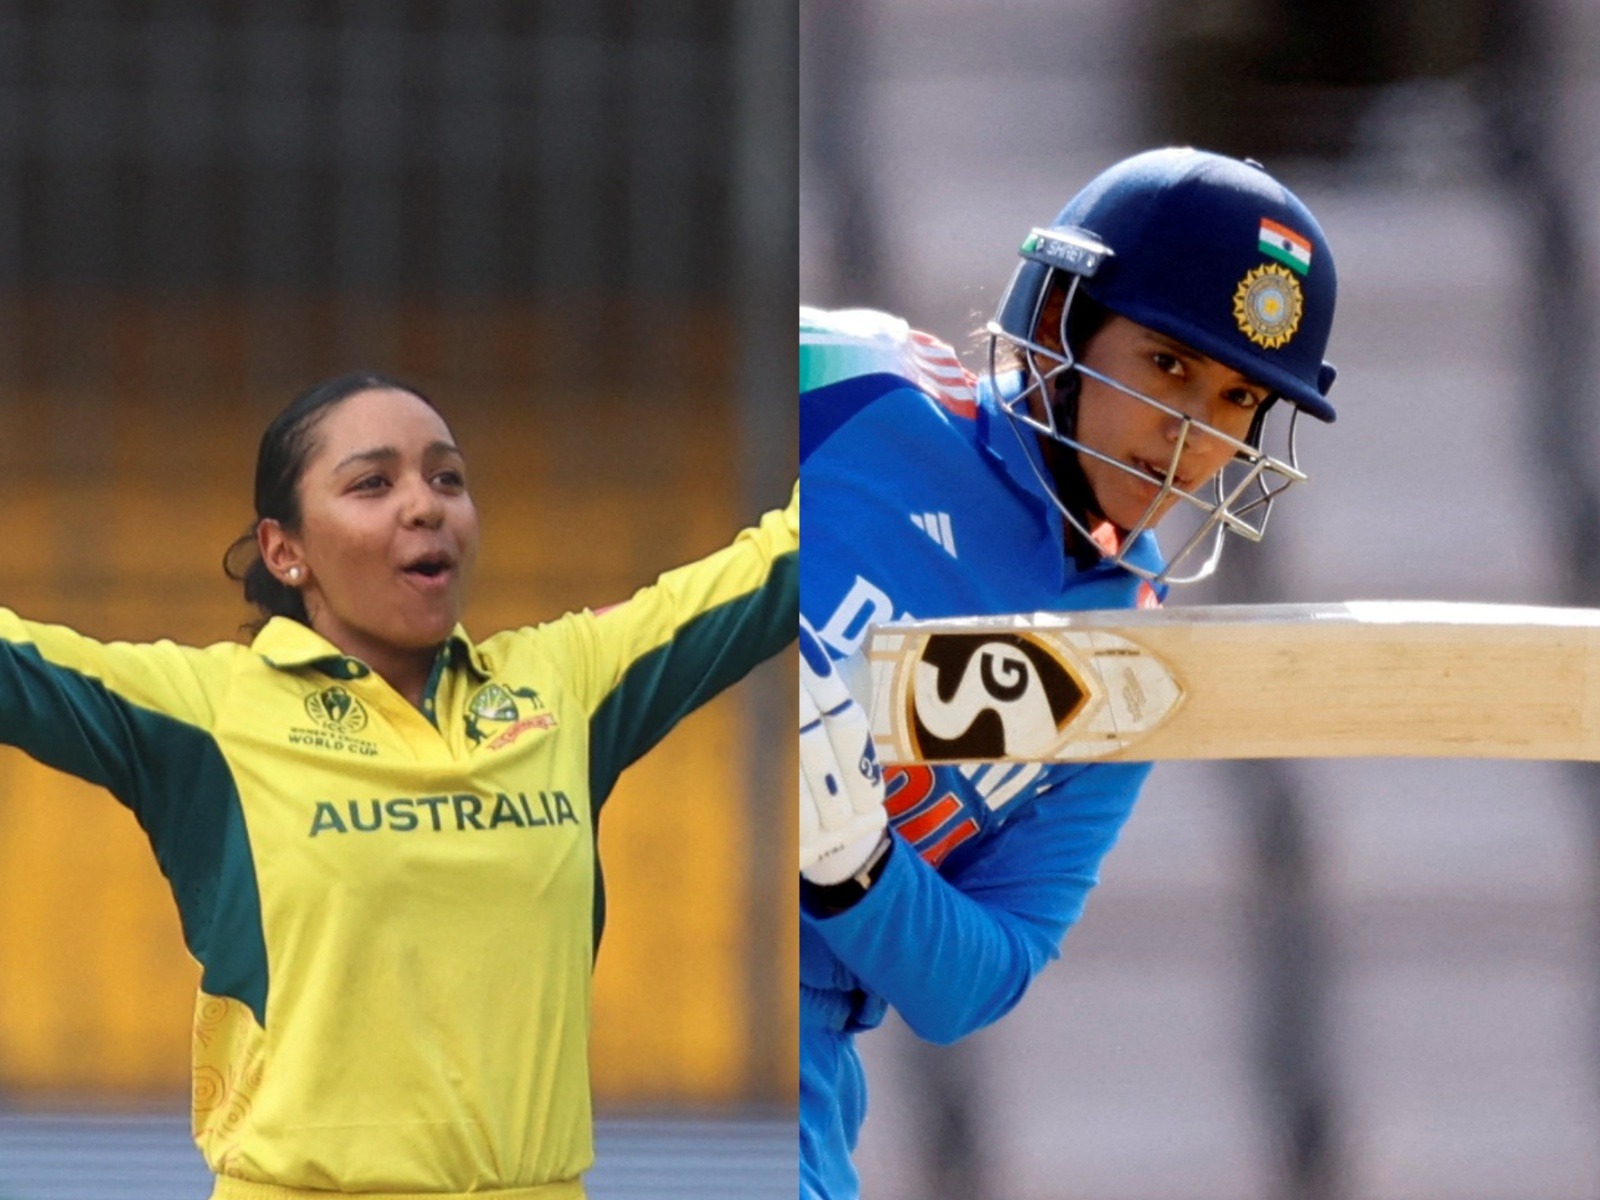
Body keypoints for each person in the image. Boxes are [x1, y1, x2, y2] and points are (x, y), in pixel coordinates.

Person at [0, 370, 796, 1198]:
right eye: (373, 483)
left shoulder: (566, 684)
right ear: (286, 550)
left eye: (447, 477)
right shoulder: (211, 713)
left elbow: (783, 562)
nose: (426, 505)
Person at [797, 147, 1340, 1198]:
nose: (1192, 437)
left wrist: (851, 861)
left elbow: (978, 976)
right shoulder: (847, 382)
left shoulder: (1128, 658)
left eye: (1235, 399)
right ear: (1058, 321)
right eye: (1168, 366)